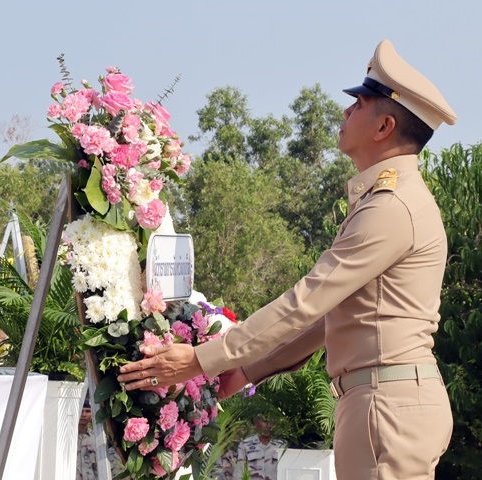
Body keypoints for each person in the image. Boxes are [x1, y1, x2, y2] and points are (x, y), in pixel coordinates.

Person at [118, 38, 458, 479]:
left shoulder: (392, 206)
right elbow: (329, 317)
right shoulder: (386, 199)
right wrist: (244, 369)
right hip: (384, 401)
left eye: (358, 104)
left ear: (383, 127)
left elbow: (306, 301)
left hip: (386, 406)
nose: (345, 112)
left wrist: (203, 359)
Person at [233, 415, 287, 480]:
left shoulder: (282, 445)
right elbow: (238, 473)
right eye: (265, 422)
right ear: (256, 422)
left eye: (272, 422)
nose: (269, 426)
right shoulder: (246, 445)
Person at [76, 400, 99, 480]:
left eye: (87, 411)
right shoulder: (68, 438)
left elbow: (97, 467)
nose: (84, 415)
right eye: (81, 411)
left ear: (92, 414)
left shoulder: (96, 438)